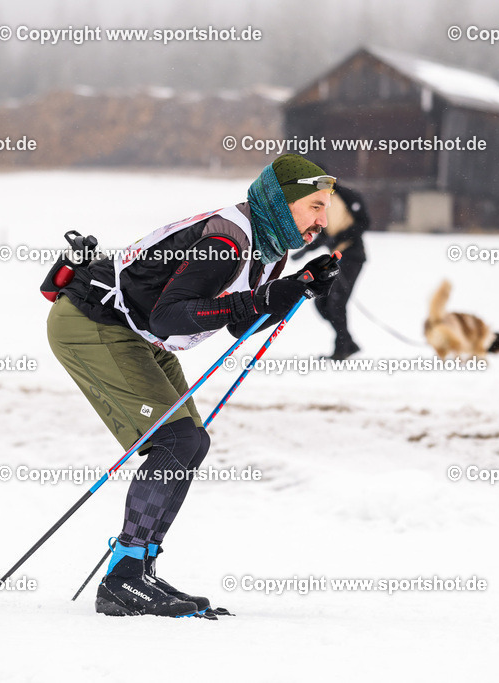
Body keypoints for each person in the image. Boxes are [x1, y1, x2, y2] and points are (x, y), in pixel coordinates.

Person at [46, 154, 339, 617]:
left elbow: (240, 324)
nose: (323, 220)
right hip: (93, 321)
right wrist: (263, 297)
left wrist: (294, 289)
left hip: (140, 334)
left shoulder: (269, 248)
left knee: (191, 443)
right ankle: (123, 581)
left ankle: (139, 570)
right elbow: (171, 315)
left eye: (326, 209)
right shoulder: (227, 241)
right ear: (282, 203)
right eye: (315, 206)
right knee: (176, 440)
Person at [293, 178, 370, 360]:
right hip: (336, 257)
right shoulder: (322, 204)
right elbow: (325, 235)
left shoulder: (346, 196)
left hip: (353, 256)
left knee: (336, 302)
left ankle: (342, 349)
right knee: (322, 303)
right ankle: (348, 342)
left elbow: (364, 222)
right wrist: (306, 250)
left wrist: (339, 237)